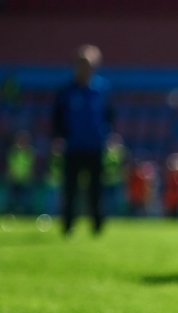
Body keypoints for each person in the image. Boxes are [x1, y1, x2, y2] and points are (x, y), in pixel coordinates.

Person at [52, 44, 113, 236]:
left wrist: (107, 135)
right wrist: (59, 137)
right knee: (70, 187)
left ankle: (97, 225)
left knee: (96, 188)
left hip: (95, 146)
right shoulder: (66, 91)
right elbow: (57, 117)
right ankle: (68, 225)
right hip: (73, 146)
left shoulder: (102, 89)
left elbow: (109, 115)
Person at [5, 130, 36, 214]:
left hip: (25, 178)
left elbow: (32, 164)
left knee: (25, 197)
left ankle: (25, 212)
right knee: (13, 197)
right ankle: (12, 211)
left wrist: (31, 175)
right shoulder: (13, 150)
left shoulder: (29, 151)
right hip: (14, 178)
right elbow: (9, 163)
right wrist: (10, 174)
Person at [102, 133, 126, 217]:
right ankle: (107, 213)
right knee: (107, 199)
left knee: (115, 199)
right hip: (107, 180)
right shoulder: (106, 152)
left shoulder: (120, 152)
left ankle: (114, 214)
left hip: (116, 180)